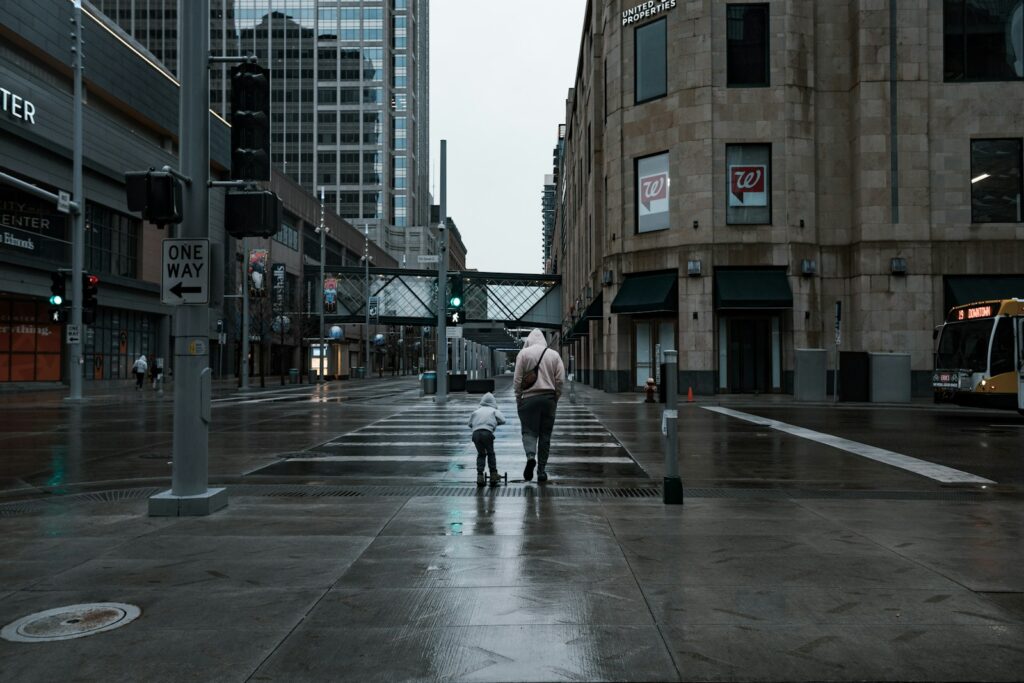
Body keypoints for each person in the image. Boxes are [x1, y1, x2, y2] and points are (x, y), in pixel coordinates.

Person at [513, 329, 565, 483]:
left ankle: (530, 456)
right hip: (548, 399)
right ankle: (541, 471)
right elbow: (560, 380)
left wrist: (518, 399)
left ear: (528, 341)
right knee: (545, 435)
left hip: (528, 399)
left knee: (528, 431)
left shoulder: (523, 354)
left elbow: (517, 380)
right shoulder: (554, 355)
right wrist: (556, 397)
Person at [468, 392, 506, 487]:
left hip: (476, 434)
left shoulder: (476, 411)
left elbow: (469, 424)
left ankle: (480, 476)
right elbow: (503, 420)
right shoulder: (493, 410)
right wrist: (493, 423)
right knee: (490, 453)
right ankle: (493, 474)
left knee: (481, 454)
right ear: (493, 401)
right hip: (487, 433)